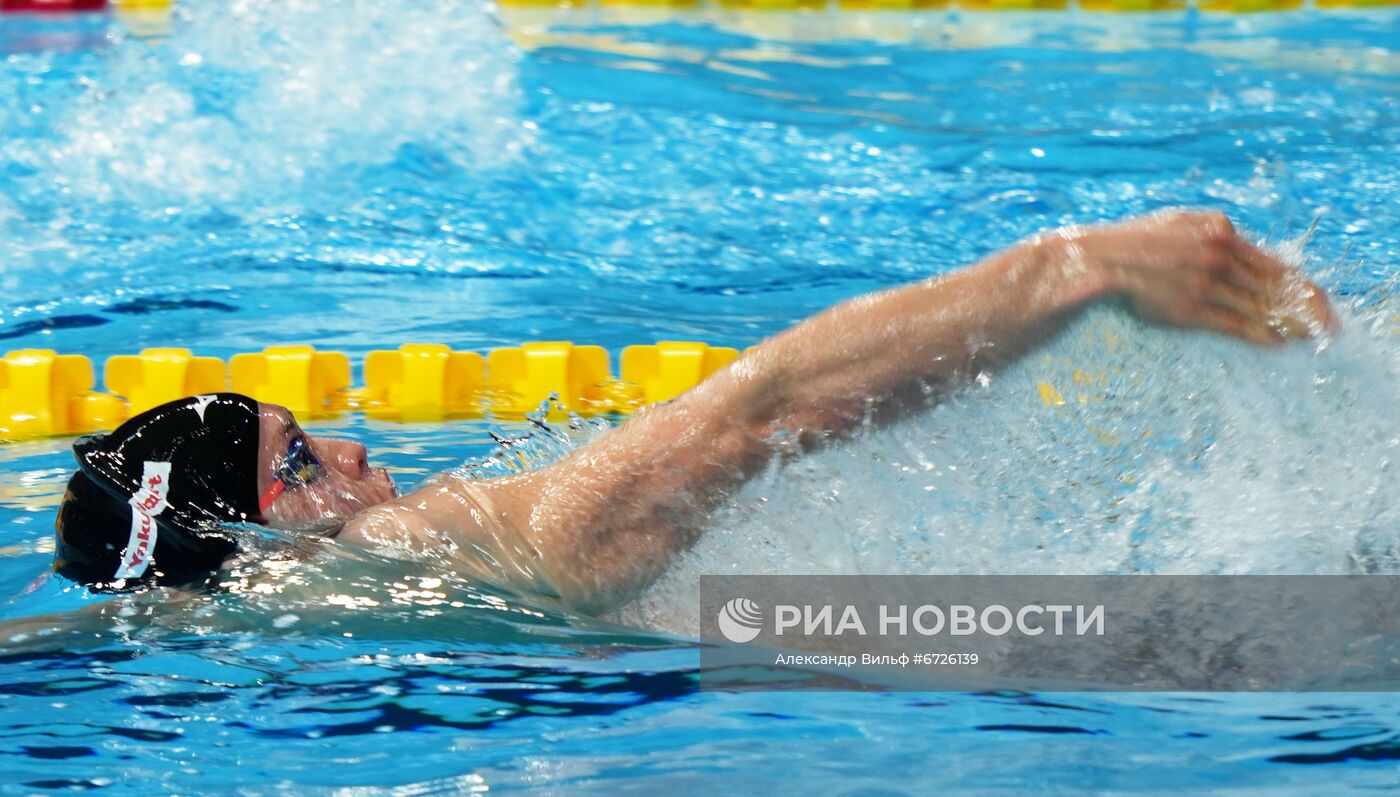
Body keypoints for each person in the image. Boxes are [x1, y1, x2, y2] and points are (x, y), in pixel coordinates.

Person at [53, 210, 1339, 614]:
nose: (353, 445)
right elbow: (755, 417)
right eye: (297, 454)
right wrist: (1075, 270)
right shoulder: (405, 549)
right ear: (253, 526)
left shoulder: (246, 609)